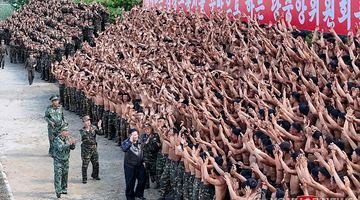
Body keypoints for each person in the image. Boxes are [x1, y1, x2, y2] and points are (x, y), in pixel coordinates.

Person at [121, 129, 147, 200]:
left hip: (139, 165)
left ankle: (139, 194)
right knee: (130, 183)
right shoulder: (126, 142)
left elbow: (143, 151)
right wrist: (130, 141)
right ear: (130, 135)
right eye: (134, 135)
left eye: (136, 134)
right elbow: (124, 149)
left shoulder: (140, 141)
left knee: (143, 180)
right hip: (130, 166)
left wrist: (144, 160)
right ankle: (130, 197)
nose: (136, 136)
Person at [52, 127, 76, 198]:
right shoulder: (57, 139)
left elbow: (72, 148)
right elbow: (60, 148)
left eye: (67, 130)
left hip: (65, 160)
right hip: (58, 160)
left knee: (65, 175)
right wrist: (69, 144)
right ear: (61, 132)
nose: (67, 132)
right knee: (58, 175)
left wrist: (73, 144)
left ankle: (64, 188)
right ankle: (58, 191)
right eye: (65, 131)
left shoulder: (67, 138)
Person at [80, 115, 102, 184]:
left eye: (89, 121)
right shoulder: (82, 131)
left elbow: (100, 133)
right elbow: (87, 139)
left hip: (94, 149)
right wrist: (94, 142)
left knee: (96, 163)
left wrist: (99, 127)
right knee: (85, 164)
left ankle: (95, 175)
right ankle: (84, 178)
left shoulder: (93, 127)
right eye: (86, 121)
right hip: (86, 150)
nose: (88, 122)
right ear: (84, 122)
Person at [142, 124, 160, 189]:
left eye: (148, 129)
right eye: (146, 129)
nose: (147, 131)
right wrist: (147, 141)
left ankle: (156, 183)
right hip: (146, 157)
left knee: (154, 171)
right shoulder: (143, 136)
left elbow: (156, 146)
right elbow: (142, 146)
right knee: (145, 172)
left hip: (153, 156)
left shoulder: (155, 135)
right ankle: (146, 185)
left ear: (151, 129)